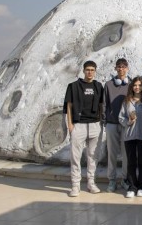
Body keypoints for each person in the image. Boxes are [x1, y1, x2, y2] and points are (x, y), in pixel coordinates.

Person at [64, 60, 104, 197]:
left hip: (95, 125)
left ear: (95, 71)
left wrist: (101, 123)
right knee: (76, 157)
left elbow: (101, 105)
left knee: (93, 156)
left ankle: (91, 183)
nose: (90, 72)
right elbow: (69, 105)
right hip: (78, 124)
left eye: (92, 70)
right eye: (88, 69)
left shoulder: (99, 86)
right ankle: (75, 185)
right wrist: (70, 124)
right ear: (83, 70)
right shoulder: (73, 86)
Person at [119, 77, 142, 198]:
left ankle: (141, 186)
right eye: (135, 85)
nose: (137, 87)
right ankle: (132, 186)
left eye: (140, 85)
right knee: (131, 162)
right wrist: (128, 122)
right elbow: (121, 117)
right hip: (129, 135)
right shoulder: (127, 101)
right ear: (132, 87)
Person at [104, 58, 130, 193]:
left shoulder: (131, 84)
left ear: (127, 68)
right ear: (115, 69)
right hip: (112, 123)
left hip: (126, 124)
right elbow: (105, 104)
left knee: (126, 154)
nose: (121, 69)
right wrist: (106, 121)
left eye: (124, 66)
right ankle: (112, 180)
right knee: (112, 153)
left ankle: (125, 179)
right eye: (119, 67)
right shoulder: (108, 85)